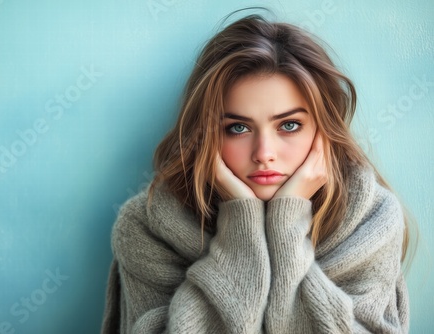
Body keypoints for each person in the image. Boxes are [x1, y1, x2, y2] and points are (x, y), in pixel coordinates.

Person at [101, 11, 413, 334]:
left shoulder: (370, 220)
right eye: (238, 128)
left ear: (322, 130)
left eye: (289, 125)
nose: (264, 154)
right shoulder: (148, 228)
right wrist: (241, 229)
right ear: (206, 135)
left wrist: (286, 226)